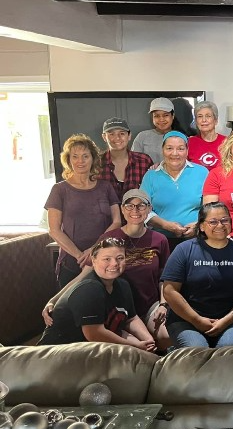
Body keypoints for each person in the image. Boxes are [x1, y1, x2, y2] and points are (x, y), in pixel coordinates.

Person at [42, 189, 172, 351]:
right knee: (132, 347)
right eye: (129, 206)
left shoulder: (160, 239)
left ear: (149, 209)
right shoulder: (109, 238)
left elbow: (165, 277)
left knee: (164, 339)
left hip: (147, 305)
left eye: (141, 206)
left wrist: (163, 304)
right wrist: (54, 299)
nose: (135, 211)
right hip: (115, 309)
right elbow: (85, 273)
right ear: (123, 209)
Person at [161, 202, 233, 348]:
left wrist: (227, 320)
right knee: (199, 350)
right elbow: (169, 290)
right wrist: (197, 320)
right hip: (185, 320)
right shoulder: (184, 250)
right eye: (213, 221)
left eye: (225, 220)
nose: (220, 225)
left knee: (227, 351)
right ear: (201, 226)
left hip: (228, 320)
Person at [39, 237, 156, 352]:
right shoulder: (90, 288)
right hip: (59, 352)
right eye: (107, 259)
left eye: (120, 258)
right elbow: (94, 334)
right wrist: (136, 346)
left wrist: (148, 341)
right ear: (93, 261)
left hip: (92, 349)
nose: (114, 263)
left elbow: (131, 319)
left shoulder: (123, 285)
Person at [45, 133, 121, 287]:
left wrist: (94, 251)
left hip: (106, 260)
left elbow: (117, 222)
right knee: (72, 308)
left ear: (93, 159)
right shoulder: (59, 189)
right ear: (68, 160)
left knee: (106, 308)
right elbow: (54, 230)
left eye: (85, 156)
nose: (80, 161)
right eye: (75, 156)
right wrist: (80, 256)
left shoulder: (105, 187)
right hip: (73, 263)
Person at [140, 131, 209, 250]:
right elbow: (142, 209)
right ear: (162, 150)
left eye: (180, 149)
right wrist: (165, 225)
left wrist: (198, 224)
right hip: (161, 240)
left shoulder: (202, 172)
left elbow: (210, 207)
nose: (175, 153)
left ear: (187, 151)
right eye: (169, 148)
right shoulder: (150, 176)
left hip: (197, 239)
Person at [96, 117, 154, 201]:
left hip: (138, 213)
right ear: (104, 137)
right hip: (105, 214)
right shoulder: (96, 162)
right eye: (112, 134)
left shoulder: (144, 161)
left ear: (129, 136)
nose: (117, 138)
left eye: (122, 133)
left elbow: (154, 193)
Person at [132, 97, 177, 164]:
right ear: (152, 117)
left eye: (166, 115)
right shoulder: (142, 137)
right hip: (148, 174)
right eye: (157, 116)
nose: (161, 119)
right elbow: (134, 162)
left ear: (173, 116)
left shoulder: (180, 137)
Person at [187, 101, 226, 170]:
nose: (204, 120)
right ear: (196, 121)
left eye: (208, 116)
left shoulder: (227, 142)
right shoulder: (189, 142)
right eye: (200, 116)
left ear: (215, 120)